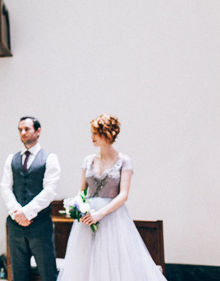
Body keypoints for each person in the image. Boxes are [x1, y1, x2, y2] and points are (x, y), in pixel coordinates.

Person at [57, 114, 166, 281]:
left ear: (106, 134)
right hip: (87, 218)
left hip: (112, 218)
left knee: (111, 261)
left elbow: (123, 195)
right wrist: (78, 205)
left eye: (95, 133)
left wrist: (100, 213)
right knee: (84, 263)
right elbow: (82, 190)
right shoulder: (88, 160)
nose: (91, 137)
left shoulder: (124, 161)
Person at [1, 116, 61, 281]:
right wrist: (16, 213)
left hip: (40, 225)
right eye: (20, 130)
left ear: (38, 131)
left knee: (48, 272)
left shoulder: (50, 158)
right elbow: (5, 187)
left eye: (27, 129)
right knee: (19, 275)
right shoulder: (11, 159)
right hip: (15, 226)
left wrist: (27, 213)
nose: (23, 133)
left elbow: (50, 191)